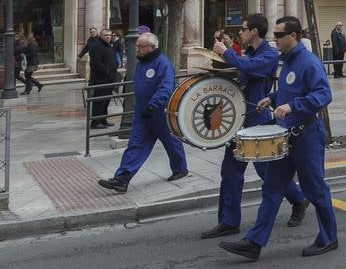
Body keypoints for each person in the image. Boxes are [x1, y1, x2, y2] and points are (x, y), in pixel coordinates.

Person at [220, 16, 338, 259]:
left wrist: (293, 106)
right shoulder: (289, 62)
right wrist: (273, 99)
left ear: (292, 36)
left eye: (279, 35)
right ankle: (254, 242)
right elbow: (289, 90)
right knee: (272, 188)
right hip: (285, 135)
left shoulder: (309, 62)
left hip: (307, 136)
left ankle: (329, 237)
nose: (275, 40)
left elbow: (324, 94)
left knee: (315, 189)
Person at [201, 14, 309, 238]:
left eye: (243, 29)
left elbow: (249, 68)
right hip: (239, 119)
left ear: (254, 32)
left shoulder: (269, 54)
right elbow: (243, 68)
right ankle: (229, 221)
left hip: (258, 120)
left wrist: (227, 52)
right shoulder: (249, 52)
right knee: (230, 172)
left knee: (267, 171)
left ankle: (299, 200)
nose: (240, 33)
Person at [97, 33, 187, 192]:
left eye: (141, 46)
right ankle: (122, 179)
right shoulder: (142, 63)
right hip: (142, 114)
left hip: (160, 112)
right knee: (135, 145)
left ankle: (180, 169)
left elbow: (166, 87)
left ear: (152, 47)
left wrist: (153, 105)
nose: (137, 49)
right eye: (137, 46)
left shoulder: (163, 64)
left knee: (172, 142)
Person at [78, 30, 116, 129]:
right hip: (101, 79)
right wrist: (106, 71)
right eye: (106, 35)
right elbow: (96, 63)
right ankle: (96, 122)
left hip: (110, 78)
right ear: (101, 36)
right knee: (99, 101)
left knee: (106, 100)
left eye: (109, 35)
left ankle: (103, 119)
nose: (108, 37)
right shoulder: (97, 46)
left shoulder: (110, 46)